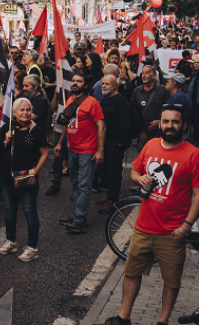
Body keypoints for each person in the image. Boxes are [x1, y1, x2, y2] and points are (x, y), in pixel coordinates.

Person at [91, 106, 199, 325]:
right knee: (132, 273)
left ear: (183, 126)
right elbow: (134, 172)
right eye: (165, 121)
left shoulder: (193, 154)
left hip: (172, 233)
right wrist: (140, 178)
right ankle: (124, 319)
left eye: (175, 122)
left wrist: (186, 227)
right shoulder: (151, 145)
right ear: (160, 123)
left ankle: (162, 324)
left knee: (171, 281)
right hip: (143, 227)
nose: (169, 126)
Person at [0, 98, 49, 262]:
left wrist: (35, 172)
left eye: (28, 110)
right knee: (10, 210)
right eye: (22, 110)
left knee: (29, 212)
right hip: (8, 178)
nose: (26, 113)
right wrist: (6, 140)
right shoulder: (8, 127)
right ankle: (11, 241)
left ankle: (32, 248)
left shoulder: (36, 130)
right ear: (14, 113)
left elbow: (44, 153)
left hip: (27, 178)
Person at [55, 73, 106, 234]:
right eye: (74, 81)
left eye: (79, 81)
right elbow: (66, 124)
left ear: (85, 85)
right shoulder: (70, 100)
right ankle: (77, 215)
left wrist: (100, 150)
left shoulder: (92, 102)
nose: (75, 83)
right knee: (76, 183)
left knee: (84, 186)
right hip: (72, 148)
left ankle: (80, 220)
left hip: (87, 150)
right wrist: (60, 143)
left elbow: (101, 126)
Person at [95, 75, 132, 214]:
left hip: (116, 142)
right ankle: (110, 196)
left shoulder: (121, 102)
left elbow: (125, 123)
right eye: (103, 83)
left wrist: (121, 143)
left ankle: (113, 199)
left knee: (114, 171)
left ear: (115, 85)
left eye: (107, 84)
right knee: (107, 170)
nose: (104, 86)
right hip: (105, 141)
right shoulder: (104, 100)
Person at [133, 64, 170, 151]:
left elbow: (169, 110)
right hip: (143, 131)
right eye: (142, 73)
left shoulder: (163, 90)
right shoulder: (137, 91)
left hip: (158, 132)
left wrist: (160, 121)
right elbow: (134, 111)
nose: (143, 76)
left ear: (153, 76)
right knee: (143, 156)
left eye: (146, 73)